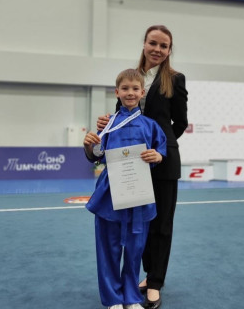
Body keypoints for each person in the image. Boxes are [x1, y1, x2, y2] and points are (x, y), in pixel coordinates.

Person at [97, 25, 188, 309]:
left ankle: (155, 282)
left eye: (164, 45)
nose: (157, 49)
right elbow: (123, 115)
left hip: (162, 162)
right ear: (145, 44)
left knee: (161, 225)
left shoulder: (175, 79)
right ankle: (139, 279)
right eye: (153, 43)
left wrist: (160, 147)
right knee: (139, 225)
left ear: (169, 50)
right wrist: (106, 124)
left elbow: (180, 122)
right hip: (130, 165)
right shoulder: (132, 76)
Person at [84, 68, 167, 309]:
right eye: (125, 88)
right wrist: (89, 146)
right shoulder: (107, 124)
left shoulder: (151, 126)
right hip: (109, 196)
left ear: (142, 93)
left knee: (134, 249)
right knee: (108, 249)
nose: (130, 92)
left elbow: (161, 151)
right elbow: (97, 155)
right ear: (117, 92)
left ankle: (131, 297)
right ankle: (113, 299)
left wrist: (158, 156)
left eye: (135, 88)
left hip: (139, 195)